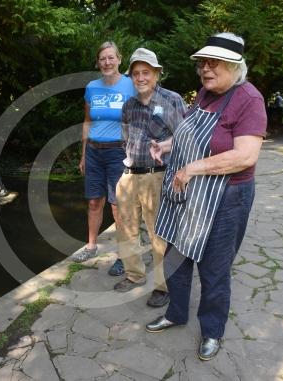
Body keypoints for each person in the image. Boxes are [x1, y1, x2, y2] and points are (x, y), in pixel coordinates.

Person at [145, 32, 267, 360]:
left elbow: (245, 156)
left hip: (226, 195)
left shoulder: (249, 100)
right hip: (189, 190)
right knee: (177, 255)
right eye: (202, 63)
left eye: (214, 63)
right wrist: (167, 146)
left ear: (234, 66)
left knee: (214, 266)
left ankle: (212, 330)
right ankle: (176, 313)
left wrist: (192, 168)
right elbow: (190, 131)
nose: (205, 70)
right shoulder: (205, 93)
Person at [113, 48, 186, 308]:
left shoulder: (172, 99)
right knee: (126, 228)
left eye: (146, 72)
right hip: (130, 175)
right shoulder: (129, 105)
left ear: (156, 74)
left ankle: (163, 285)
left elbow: (184, 137)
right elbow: (124, 139)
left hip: (158, 177)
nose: (141, 77)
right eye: (136, 73)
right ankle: (134, 274)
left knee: (159, 233)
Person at [71, 41, 136, 278]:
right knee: (93, 202)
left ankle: (123, 256)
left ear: (119, 59)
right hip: (94, 152)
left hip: (119, 152)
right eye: (102, 59)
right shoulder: (92, 87)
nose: (107, 62)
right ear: (97, 62)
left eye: (111, 58)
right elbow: (88, 121)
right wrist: (83, 153)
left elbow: (140, 117)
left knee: (118, 206)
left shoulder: (130, 86)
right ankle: (90, 246)